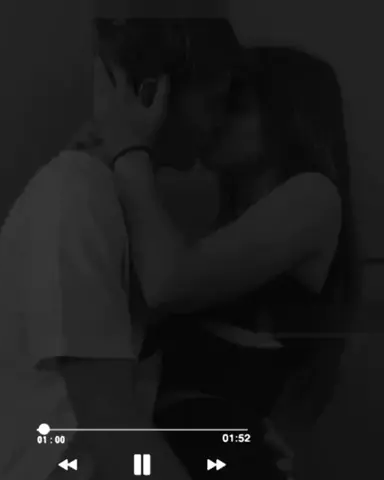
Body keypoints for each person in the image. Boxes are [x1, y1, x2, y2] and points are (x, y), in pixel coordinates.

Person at [0, 17, 243, 480]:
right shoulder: (76, 200)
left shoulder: (110, 202)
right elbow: (110, 423)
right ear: (151, 96)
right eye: (213, 103)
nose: (219, 124)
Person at [99, 45, 360, 479]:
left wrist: (129, 150)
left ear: (287, 118)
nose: (214, 119)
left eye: (234, 105)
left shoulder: (313, 196)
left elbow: (166, 284)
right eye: (215, 102)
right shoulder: (226, 229)